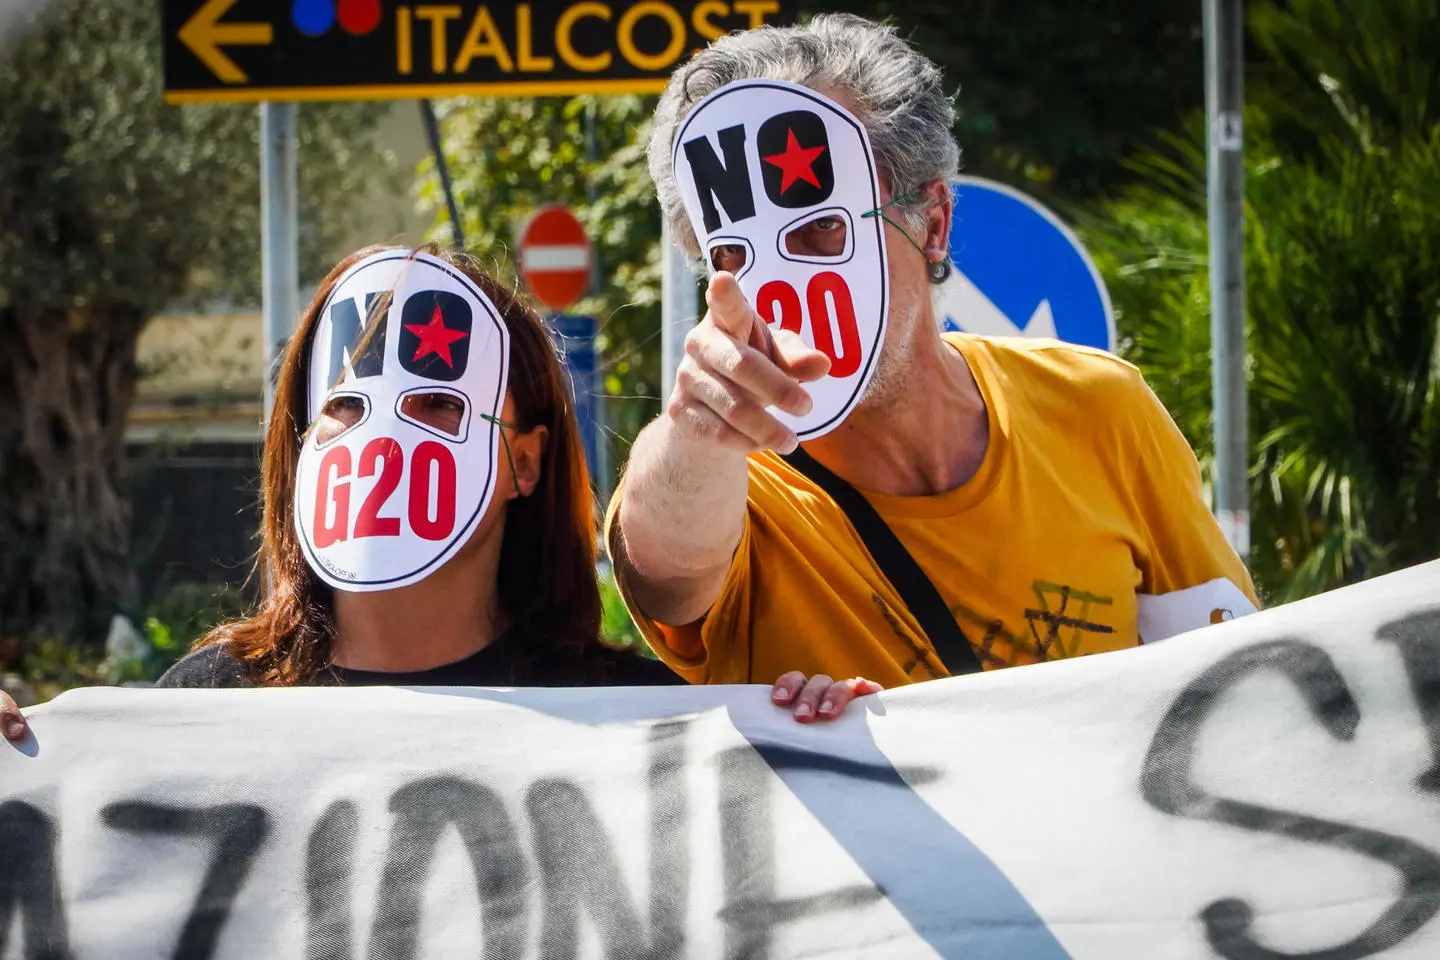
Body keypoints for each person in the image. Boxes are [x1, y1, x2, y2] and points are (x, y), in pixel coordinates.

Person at [607, 13, 1260, 688]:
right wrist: (699, 429)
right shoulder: (725, 478)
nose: (780, 280)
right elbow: (670, 569)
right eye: (733, 254)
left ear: (934, 223)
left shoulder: (1098, 408)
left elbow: (1244, 685)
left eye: (823, 229)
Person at [1, 245, 877, 743]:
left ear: (524, 463)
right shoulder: (205, 708)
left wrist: (824, 747)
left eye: (434, 404)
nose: (384, 438)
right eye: (344, 407)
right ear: (300, 447)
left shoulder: (634, 714)